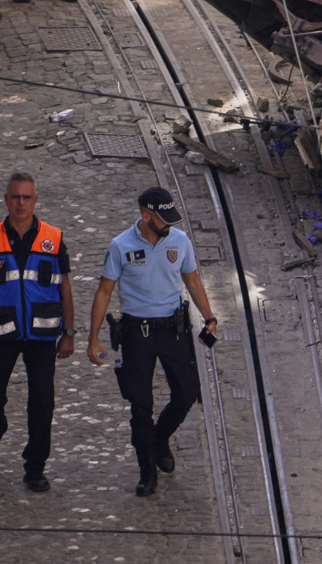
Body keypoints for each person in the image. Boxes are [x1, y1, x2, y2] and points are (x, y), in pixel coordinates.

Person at [87, 187, 217, 497]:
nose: (169, 225)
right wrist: (92, 339)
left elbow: (193, 280)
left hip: (173, 330)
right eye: (163, 219)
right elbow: (104, 291)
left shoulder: (179, 241)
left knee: (187, 394)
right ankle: (147, 470)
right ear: (146, 216)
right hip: (137, 334)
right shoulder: (120, 246)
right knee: (141, 404)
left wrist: (209, 318)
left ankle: (159, 438)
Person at [0, 173, 75, 492]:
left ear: (35, 200)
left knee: (42, 401)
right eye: (15, 197)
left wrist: (70, 332)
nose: (21, 203)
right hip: (3, 331)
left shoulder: (53, 237)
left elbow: (65, 287)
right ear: (6, 200)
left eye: (26, 197)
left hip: (42, 335)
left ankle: (35, 467)